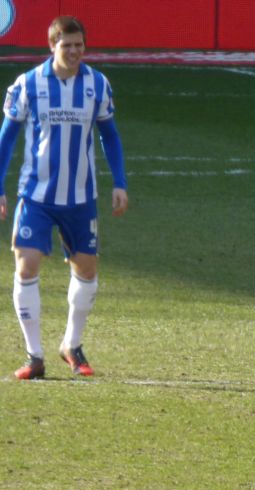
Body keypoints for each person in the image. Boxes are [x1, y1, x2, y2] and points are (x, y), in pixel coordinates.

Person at [0, 15, 128, 380]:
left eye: (78, 45)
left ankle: (70, 345)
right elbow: (7, 137)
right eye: (66, 45)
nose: (73, 51)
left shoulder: (97, 84)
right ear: (51, 45)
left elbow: (111, 135)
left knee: (86, 270)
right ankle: (34, 356)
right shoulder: (29, 84)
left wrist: (119, 182)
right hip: (36, 196)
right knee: (26, 267)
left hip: (80, 197)